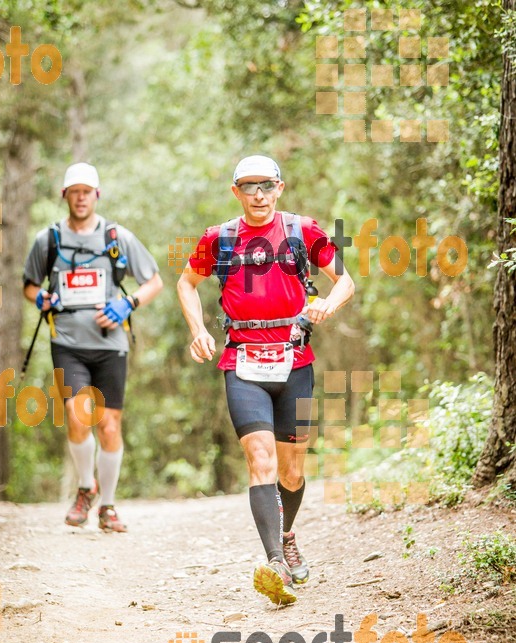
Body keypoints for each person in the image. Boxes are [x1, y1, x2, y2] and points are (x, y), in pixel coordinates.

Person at [177, 155, 355, 605]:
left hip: (295, 361)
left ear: (280, 188)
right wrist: (198, 330)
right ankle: (275, 561)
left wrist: (328, 304)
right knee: (260, 458)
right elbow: (185, 283)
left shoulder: (303, 230)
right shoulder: (218, 239)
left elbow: (345, 280)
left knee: (292, 471)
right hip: (243, 362)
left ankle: (288, 535)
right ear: (235, 191)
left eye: (266, 186)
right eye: (248, 186)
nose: (258, 194)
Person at [23, 162, 163, 532]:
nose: (81, 197)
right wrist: (41, 299)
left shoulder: (116, 238)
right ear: (65, 195)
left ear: (96, 195)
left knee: (110, 426)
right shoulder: (48, 239)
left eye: (87, 191)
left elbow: (154, 282)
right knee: (77, 414)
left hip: (110, 344)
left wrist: (127, 304)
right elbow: (29, 284)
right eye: (75, 191)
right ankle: (86, 488)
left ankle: (109, 506)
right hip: (66, 341)